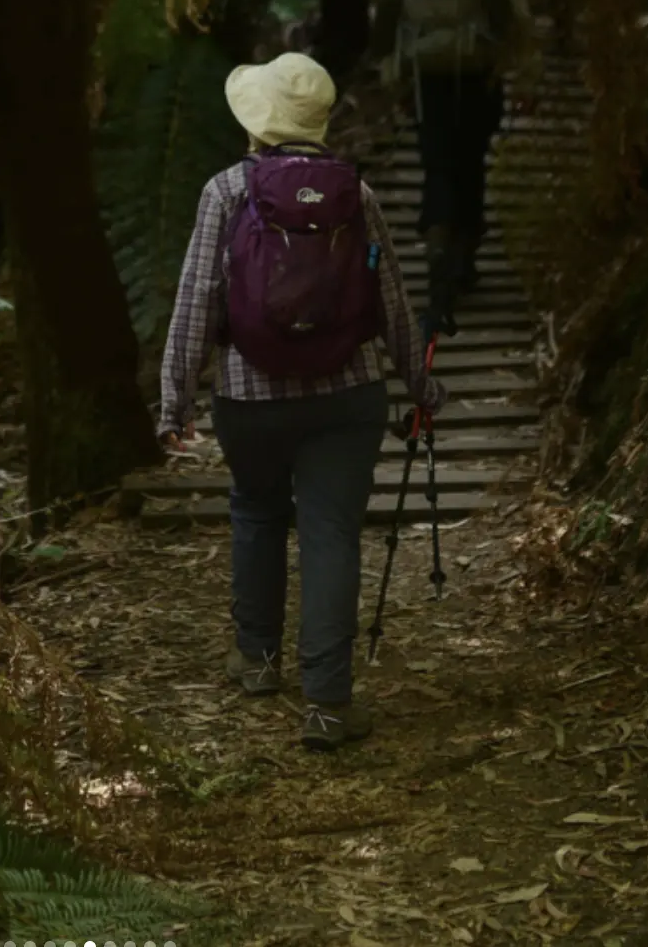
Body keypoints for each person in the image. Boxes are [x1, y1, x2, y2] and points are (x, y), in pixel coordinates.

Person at [157, 53, 446, 752]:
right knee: (330, 535)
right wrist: (422, 387)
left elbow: (196, 300)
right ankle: (326, 703)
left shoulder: (225, 191)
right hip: (347, 395)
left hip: (249, 397)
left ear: (256, 122)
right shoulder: (358, 195)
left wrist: (174, 401)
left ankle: (257, 661)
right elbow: (394, 305)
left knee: (256, 511)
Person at [390, 0, 533, 335]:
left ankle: (436, 246)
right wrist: (521, 72)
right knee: (471, 164)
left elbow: (399, 23)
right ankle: (464, 258)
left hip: (427, 80)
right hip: (478, 78)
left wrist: (396, 84)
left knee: (437, 166)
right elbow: (518, 19)